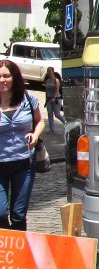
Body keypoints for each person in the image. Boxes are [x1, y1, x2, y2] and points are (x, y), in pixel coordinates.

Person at [0, 59, 44, 231]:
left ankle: (18, 253)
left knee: (19, 215)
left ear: (14, 78)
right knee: (0, 213)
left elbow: (40, 121)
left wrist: (35, 134)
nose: (2, 80)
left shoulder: (28, 98)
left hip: (24, 163)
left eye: (6, 76)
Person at [44, 66, 65, 133]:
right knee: (50, 114)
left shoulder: (56, 80)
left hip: (56, 99)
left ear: (53, 72)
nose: (49, 72)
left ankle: (66, 124)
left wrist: (54, 97)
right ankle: (52, 129)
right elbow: (46, 91)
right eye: (48, 71)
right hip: (49, 99)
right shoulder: (47, 81)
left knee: (57, 114)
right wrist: (46, 99)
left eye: (50, 71)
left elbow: (57, 89)